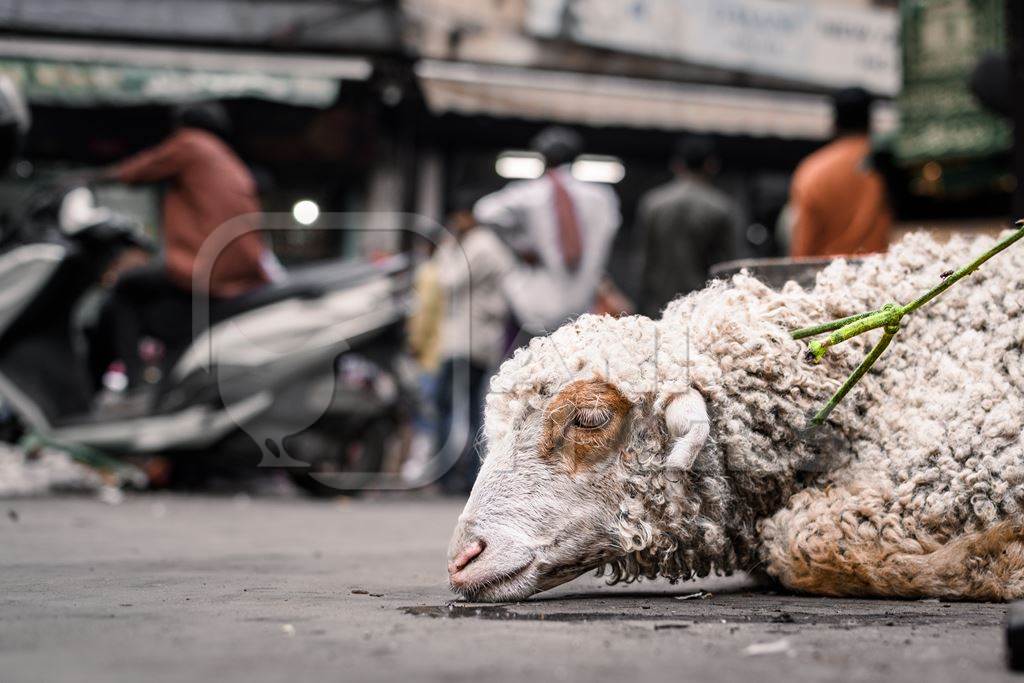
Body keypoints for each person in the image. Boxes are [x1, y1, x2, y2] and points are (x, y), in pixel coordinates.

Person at [89, 102, 272, 387]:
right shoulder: (229, 161)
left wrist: (84, 179)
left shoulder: (192, 145)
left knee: (123, 289)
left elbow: (136, 171)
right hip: (237, 271)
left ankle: (134, 384)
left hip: (205, 266)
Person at [474, 126, 620, 339]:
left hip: (534, 310)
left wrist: (520, 245)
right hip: (583, 308)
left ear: (542, 158)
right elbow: (608, 233)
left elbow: (484, 211)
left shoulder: (530, 194)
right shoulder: (602, 197)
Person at [432, 190, 514, 494]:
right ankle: (458, 474)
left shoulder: (479, 247)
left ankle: (454, 475)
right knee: (462, 408)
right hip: (467, 341)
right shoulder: (481, 245)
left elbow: (446, 281)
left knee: (452, 406)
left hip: (468, 343)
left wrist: (445, 248)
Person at [635, 134, 737, 317]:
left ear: (677, 165)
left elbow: (643, 262)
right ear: (711, 165)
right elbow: (731, 265)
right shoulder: (721, 208)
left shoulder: (653, 203)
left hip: (659, 307)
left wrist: (638, 306)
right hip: (702, 310)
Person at [788, 87, 892, 258]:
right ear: (870, 121)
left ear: (835, 122)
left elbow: (802, 248)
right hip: (883, 274)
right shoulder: (887, 164)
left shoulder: (812, 171)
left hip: (830, 277)